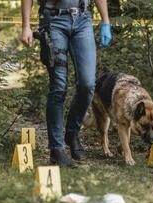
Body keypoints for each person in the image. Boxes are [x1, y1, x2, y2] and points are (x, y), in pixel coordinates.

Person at [21, 0, 112, 166]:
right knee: (58, 86)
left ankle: (72, 132)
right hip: (53, 20)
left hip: (82, 19)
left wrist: (105, 21)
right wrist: (26, 25)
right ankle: (56, 149)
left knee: (88, 84)